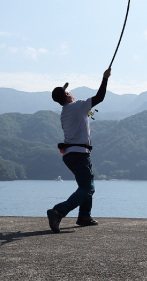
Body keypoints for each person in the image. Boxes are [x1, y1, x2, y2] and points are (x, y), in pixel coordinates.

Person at [46, 67, 110, 232]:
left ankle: (84, 216)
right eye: (69, 92)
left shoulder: (65, 112)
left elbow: (83, 115)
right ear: (67, 96)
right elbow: (100, 97)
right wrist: (105, 78)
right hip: (79, 154)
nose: (72, 93)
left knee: (85, 185)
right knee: (88, 188)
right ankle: (58, 211)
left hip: (70, 155)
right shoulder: (77, 107)